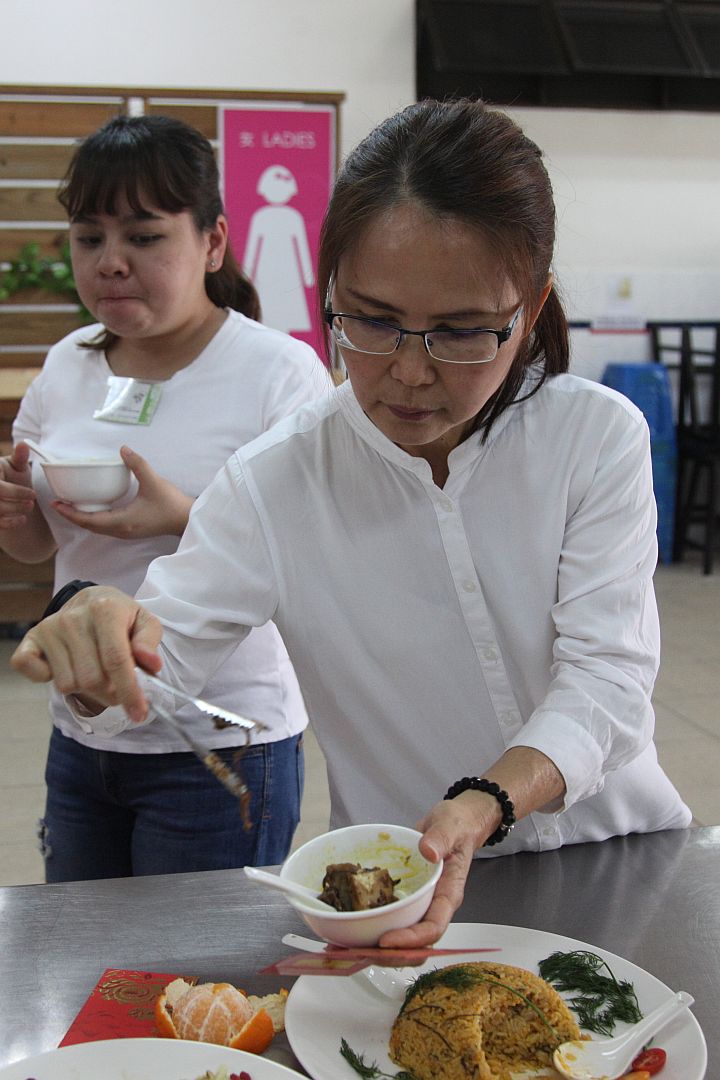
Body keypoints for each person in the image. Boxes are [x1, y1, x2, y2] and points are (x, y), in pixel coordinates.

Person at [11, 99, 691, 940]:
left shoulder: (592, 436)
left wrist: (487, 799)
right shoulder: (278, 477)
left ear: (532, 305)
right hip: (408, 887)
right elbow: (157, 660)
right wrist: (99, 641)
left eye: (462, 331)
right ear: (328, 291)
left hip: (619, 857)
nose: (409, 371)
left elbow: (608, 679)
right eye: (370, 320)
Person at [0, 114, 327, 881]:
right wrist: (15, 518)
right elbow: (42, 544)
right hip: (83, 725)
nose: (110, 262)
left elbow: (316, 559)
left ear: (212, 242)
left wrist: (184, 516)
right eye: (89, 238)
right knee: (86, 948)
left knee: (200, 955)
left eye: (144, 237)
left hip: (221, 737)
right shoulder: (69, 363)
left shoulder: (279, 373)